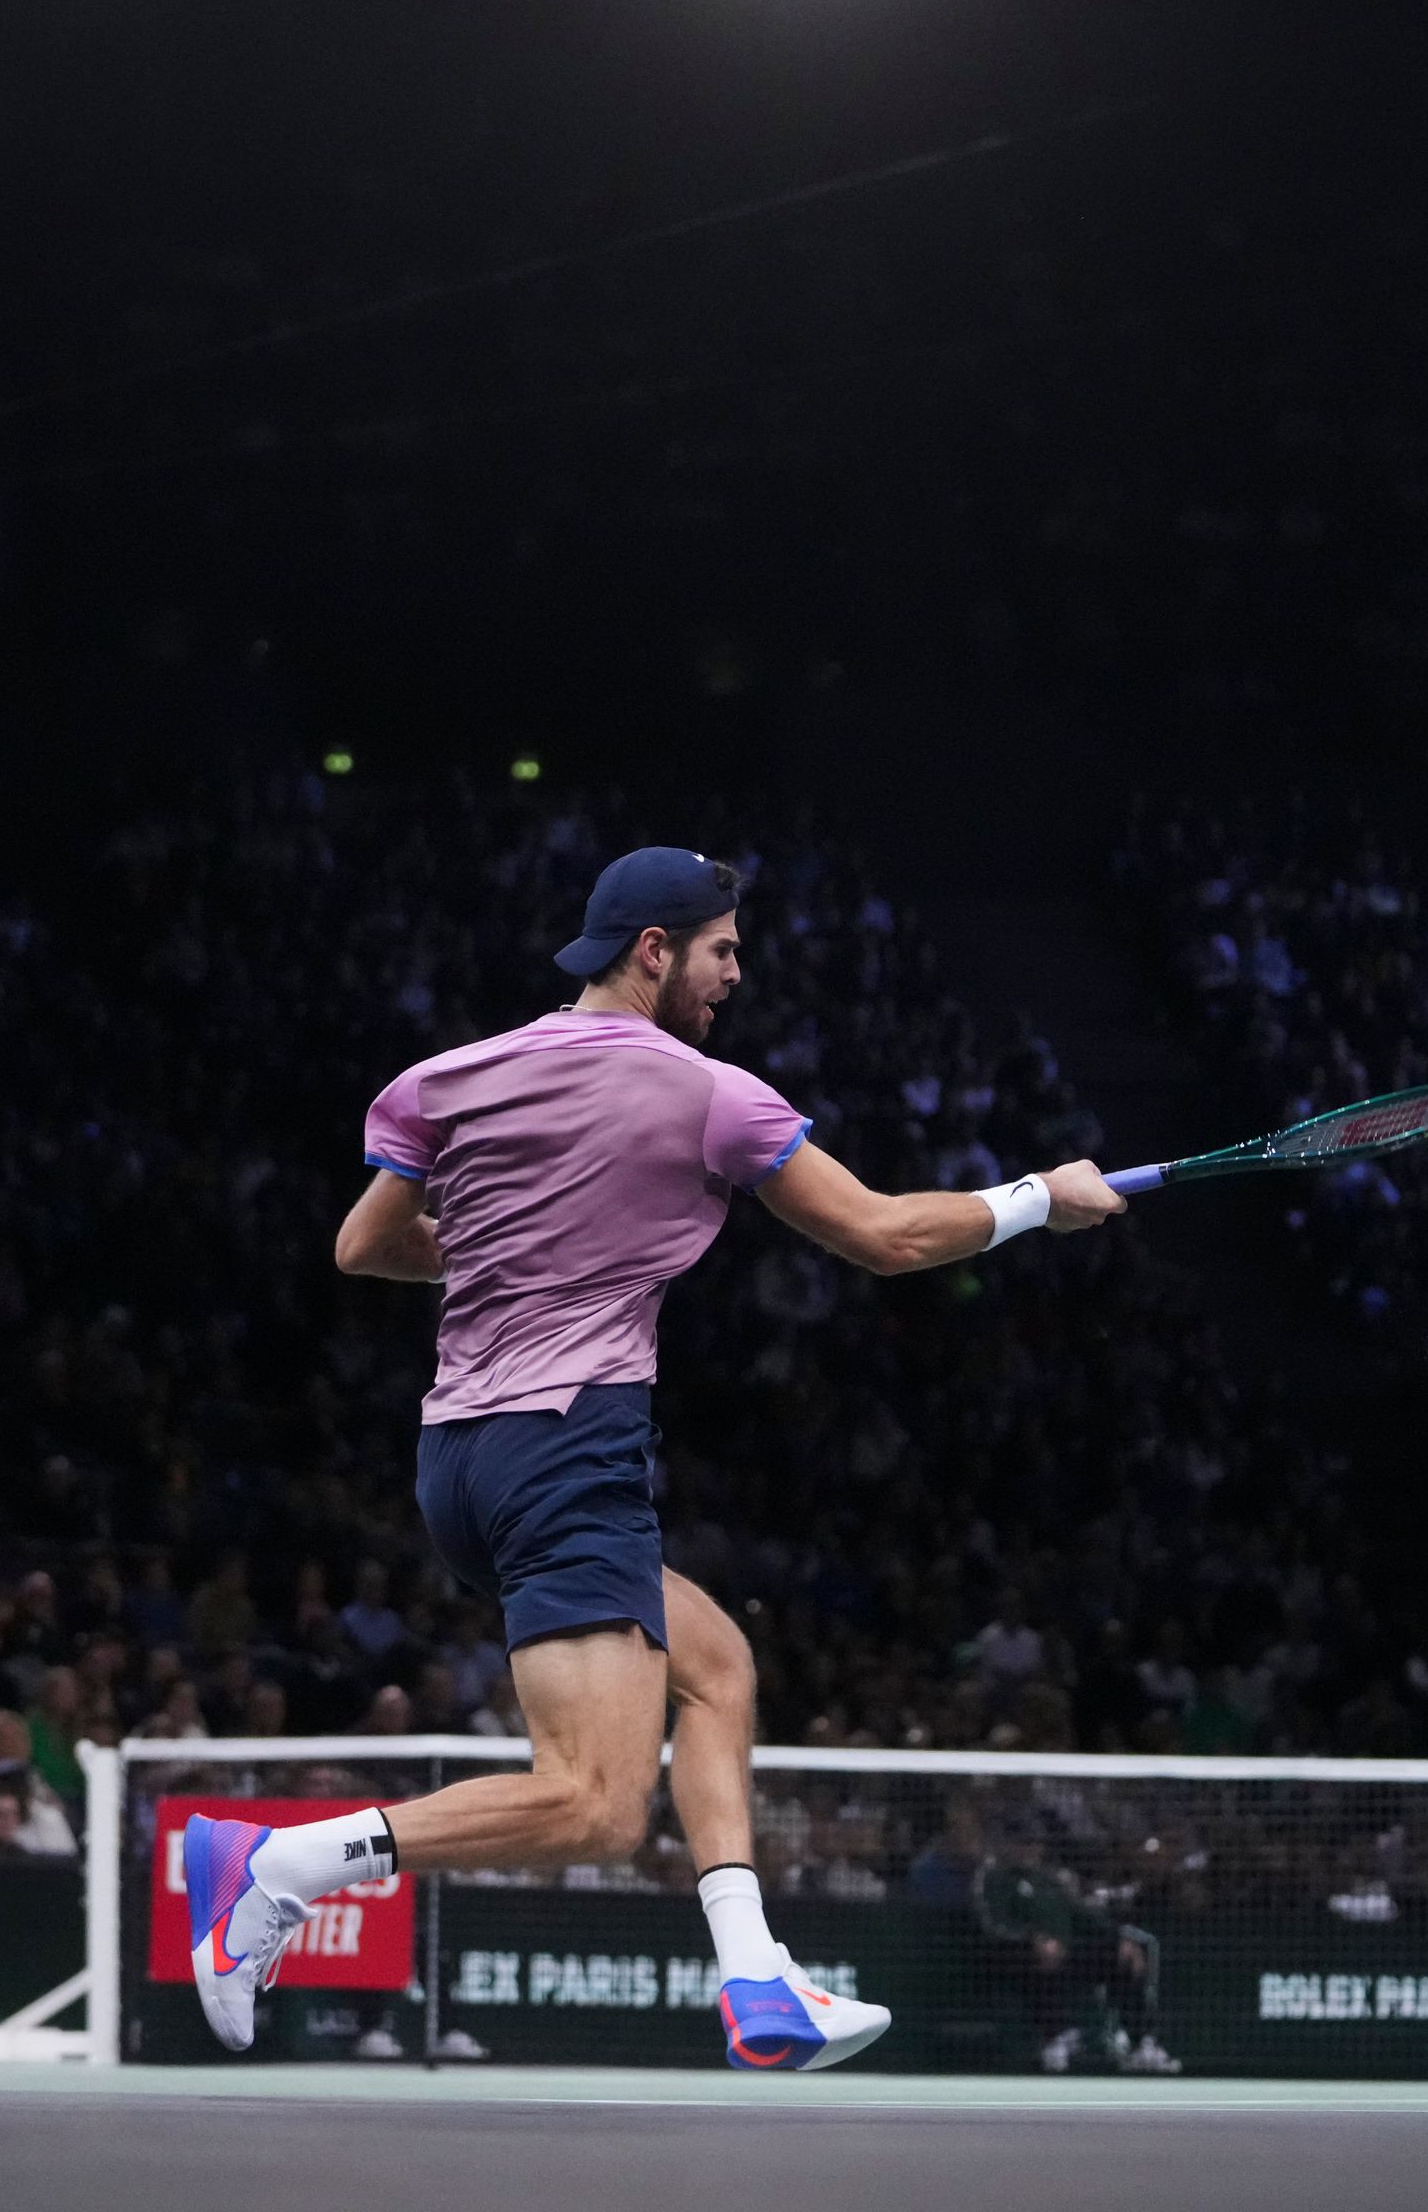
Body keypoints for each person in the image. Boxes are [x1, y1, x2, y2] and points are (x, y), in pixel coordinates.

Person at [182, 846, 1124, 2071]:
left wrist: (528, 1254)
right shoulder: (711, 1093)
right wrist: (1040, 1196)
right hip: (571, 1445)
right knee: (595, 1802)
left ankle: (756, 1980)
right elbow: (889, 1236)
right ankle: (279, 1859)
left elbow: (369, 1247)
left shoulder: (448, 1076)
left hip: (459, 1463)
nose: (736, 973)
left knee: (718, 1664)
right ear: (654, 949)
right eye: (723, 949)